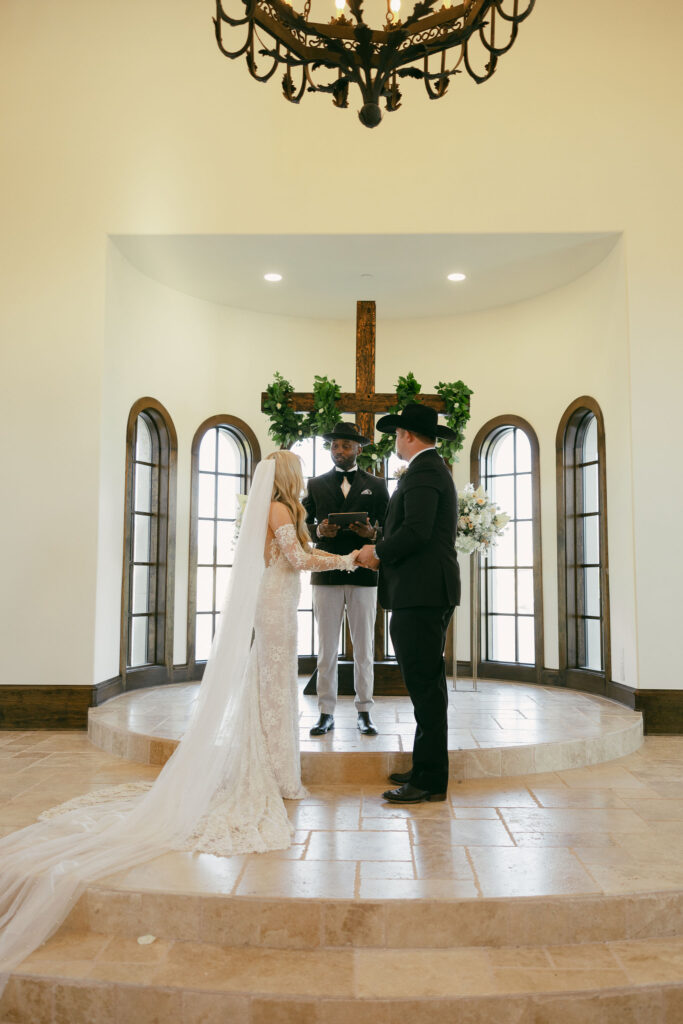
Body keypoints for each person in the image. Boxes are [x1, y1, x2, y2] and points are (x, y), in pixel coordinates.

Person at [0, 451, 357, 984]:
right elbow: (299, 562)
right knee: (273, 684)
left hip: (277, 603)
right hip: (275, 605)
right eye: (297, 471)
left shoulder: (280, 509)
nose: (302, 478)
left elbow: (294, 557)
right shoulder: (281, 513)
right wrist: (351, 558)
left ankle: (275, 764)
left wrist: (323, 549)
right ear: (286, 478)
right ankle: (273, 771)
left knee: (274, 685)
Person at [356, 404, 460, 804]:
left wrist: (377, 551)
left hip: (422, 594)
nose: (394, 440)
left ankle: (430, 780)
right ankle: (425, 766)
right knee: (425, 684)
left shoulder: (425, 472)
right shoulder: (429, 470)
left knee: (425, 687)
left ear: (408, 436)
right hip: (425, 591)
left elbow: (415, 533)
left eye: (397, 433)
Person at [303, 422, 390, 737]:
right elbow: (302, 525)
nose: (338, 451)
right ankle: (325, 712)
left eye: (345, 446)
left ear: (358, 449)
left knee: (364, 648)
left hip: (364, 572)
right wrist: (318, 531)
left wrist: (373, 533)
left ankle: (364, 710)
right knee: (326, 648)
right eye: (334, 445)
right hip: (325, 572)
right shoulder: (314, 484)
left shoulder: (378, 485)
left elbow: (390, 527)